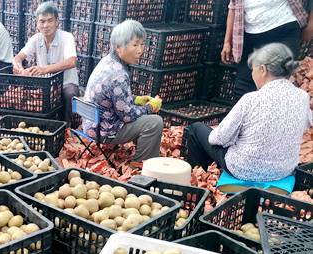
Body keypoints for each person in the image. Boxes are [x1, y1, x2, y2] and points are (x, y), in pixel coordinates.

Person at [185, 43, 311, 182]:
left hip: (245, 170)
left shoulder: (251, 99)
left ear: (263, 70)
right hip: (284, 171)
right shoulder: (303, 97)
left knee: (195, 129)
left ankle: (195, 182)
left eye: (253, 69)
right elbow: (304, 125)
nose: (252, 74)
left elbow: (218, 139)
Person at [82, 20, 163, 167]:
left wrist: (137, 99)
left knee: (144, 115)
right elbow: (128, 116)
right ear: (119, 47)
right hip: (104, 130)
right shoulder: (118, 74)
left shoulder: (107, 61)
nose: (140, 50)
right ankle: (140, 165)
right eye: (135, 45)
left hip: (91, 122)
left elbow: (114, 98)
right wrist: (151, 107)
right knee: (154, 122)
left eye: (142, 44)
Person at [221, 0, 313, 99]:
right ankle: (248, 113)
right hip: (250, 34)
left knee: (276, 81)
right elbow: (233, 8)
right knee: (243, 86)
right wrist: (227, 42)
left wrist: (311, 26)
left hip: (283, 30)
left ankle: (276, 112)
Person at [13, 2, 79, 124]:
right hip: (45, 84)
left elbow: (72, 61)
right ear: (37, 23)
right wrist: (19, 67)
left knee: (69, 93)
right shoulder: (36, 39)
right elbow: (18, 57)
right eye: (42, 21)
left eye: (50, 21)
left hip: (66, 83)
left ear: (57, 22)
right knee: (23, 95)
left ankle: (67, 127)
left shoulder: (66, 37)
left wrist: (44, 69)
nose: (46, 25)